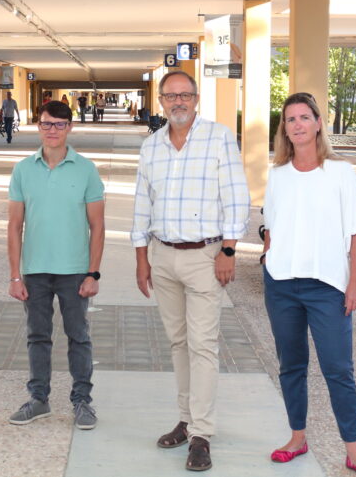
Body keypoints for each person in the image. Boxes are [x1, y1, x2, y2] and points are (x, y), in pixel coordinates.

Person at [131, 70, 249, 472]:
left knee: (203, 345)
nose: (178, 102)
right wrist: (141, 256)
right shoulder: (151, 146)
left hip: (204, 257)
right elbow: (142, 204)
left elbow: (236, 196)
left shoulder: (218, 138)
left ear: (196, 99)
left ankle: (201, 434)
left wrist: (229, 249)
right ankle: (185, 418)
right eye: (171, 96)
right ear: (161, 101)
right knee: (178, 343)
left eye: (185, 95)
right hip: (163, 256)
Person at [261, 93, 356, 477]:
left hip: (328, 287)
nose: (297, 125)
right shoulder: (277, 174)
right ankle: (297, 438)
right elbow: (271, 225)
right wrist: (268, 256)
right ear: (285, 129)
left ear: (317, 123)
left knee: (338, 369)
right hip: (281, 285)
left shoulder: (339, 172)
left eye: (304, 117)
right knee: (291, 365)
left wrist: (355, 284)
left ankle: (355, 453)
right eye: (290, 119)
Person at [7, 100, 105, 431]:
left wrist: (93, 272)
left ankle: (82, 402)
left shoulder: (86, 169)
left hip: (74, 270)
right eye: (47, 124)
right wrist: (15, 275)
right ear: (38, 126)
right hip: (35, 271)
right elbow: (14, 226)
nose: (53, 131)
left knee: (78, 336)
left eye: (60, 125)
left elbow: (98, 226)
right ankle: (39, 399)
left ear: (69, 128)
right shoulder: (23, 169)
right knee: (38, 336)